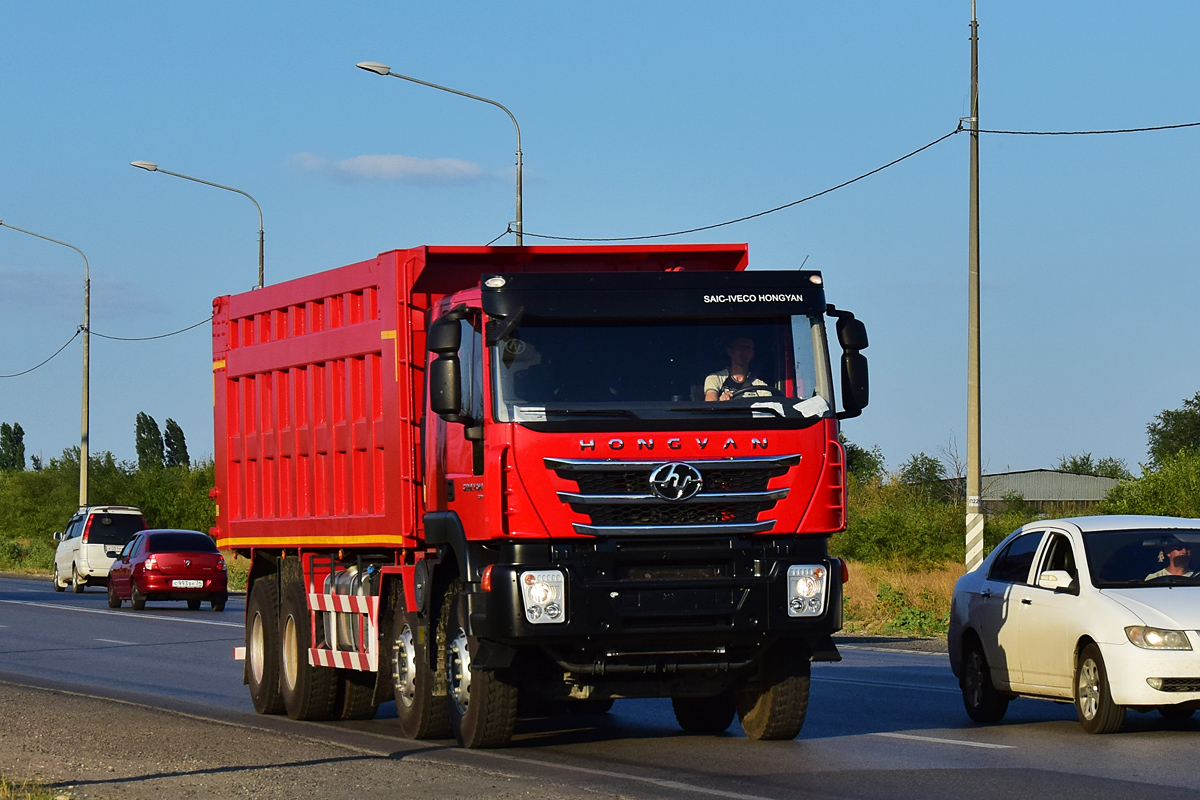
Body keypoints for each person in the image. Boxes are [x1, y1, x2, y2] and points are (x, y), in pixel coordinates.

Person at [704, 336, 772, 401]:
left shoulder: (760, 386)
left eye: (748, 348)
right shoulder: (715, 378)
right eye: (740, 347)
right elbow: (711, 405)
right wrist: (721, 403)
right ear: (730, 352)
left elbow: (770, 407)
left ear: (752, 354)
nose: (744, 352)